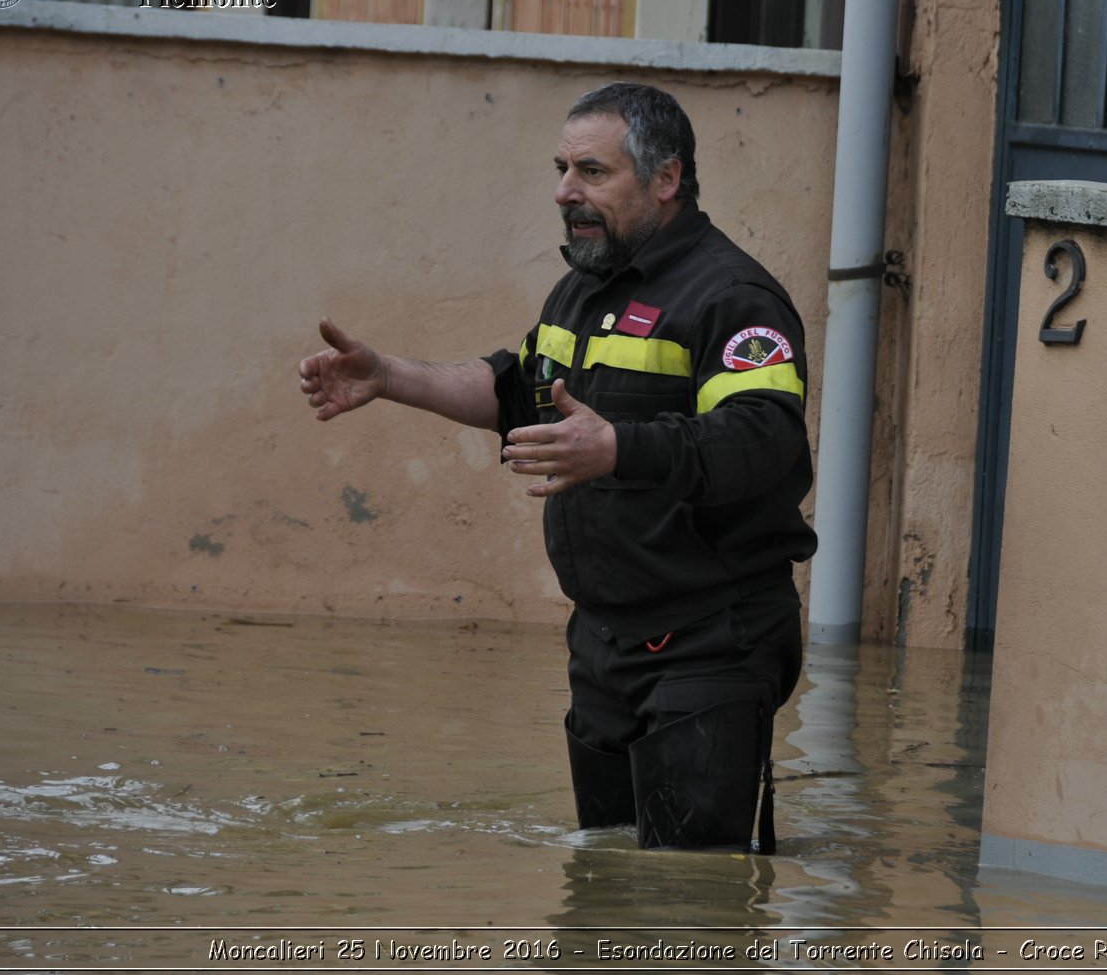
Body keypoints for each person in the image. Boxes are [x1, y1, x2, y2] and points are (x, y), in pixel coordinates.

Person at [297, 82, 816, 852]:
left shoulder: (732, 296)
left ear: (665, 179)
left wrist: (618, 448)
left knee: (690, 901)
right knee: (608, 884)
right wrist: (388, 376)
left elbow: (764, 439)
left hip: (712, 644)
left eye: (591, 172)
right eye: (562, 168)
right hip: (604, 646)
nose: (564, 191)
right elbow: (516, 389)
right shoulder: (582, 288)